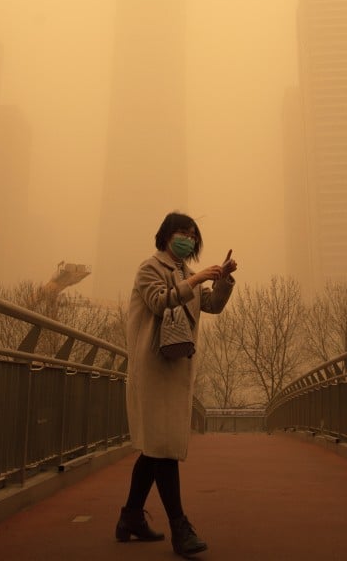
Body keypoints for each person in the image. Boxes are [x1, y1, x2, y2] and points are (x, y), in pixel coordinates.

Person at [115, 211, 237, 557]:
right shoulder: (149, 268)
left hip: (177, 368)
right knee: (164, 448)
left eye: (193, 235)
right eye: (182, 232)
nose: (188, 239)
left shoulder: (185, 274)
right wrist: (197, 279)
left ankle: (130, 518)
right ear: (166, 235)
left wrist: (222, 280)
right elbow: (159, 301)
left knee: (155, 447)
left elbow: (210, 306)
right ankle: (180, 528)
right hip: (153, 369)